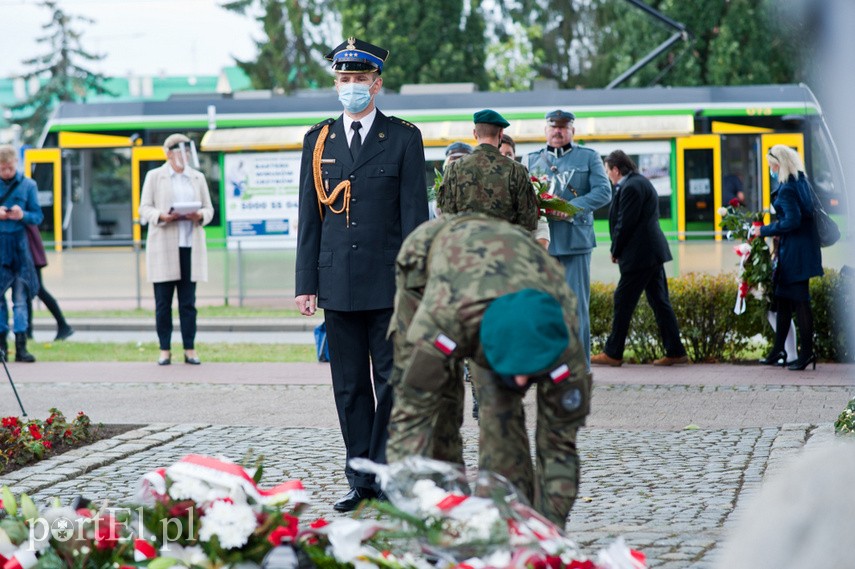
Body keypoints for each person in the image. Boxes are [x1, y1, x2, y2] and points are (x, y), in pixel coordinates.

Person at [386, 213, 591, 527]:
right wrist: (414, 505)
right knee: (438, 402)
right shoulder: (444, 319)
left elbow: (560, 445)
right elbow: (410, 416)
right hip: (428, 259)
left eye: (531, 371)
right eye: (515, 370)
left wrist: (549, 531)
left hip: (513, 269)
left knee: (501, 413)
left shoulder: (562, 338)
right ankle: (446, 510)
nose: (523, 382)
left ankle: (510, 517)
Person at [294, 37, 429, 513]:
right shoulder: (318, 139)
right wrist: (306, 283)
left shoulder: (404, 138)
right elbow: (309, 218)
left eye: (358, 80)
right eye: (343, 79)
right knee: (349, 386)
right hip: (337, 282)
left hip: (389, 282)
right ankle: (359, 478)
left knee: (392, 380)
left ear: (377, 83)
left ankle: (383, 471)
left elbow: (416, 217)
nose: (350, 87)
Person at [525, 110, 612, 368]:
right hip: (544, 242)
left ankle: (578, 366)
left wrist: (571, 207)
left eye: (564, 128)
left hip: (575, 242)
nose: (558, 132)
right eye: (553, 127)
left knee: (575, 308)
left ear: (573, 131)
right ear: (546, 130)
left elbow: (603, 192)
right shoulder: (531, 160)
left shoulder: (589, 157)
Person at [590, 150, 689, 367]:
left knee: (622, 300)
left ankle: (613, 353)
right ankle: (676, 351)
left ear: (616, 169)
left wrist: (615, 249)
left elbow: (626, 222)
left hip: (640, 255)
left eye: (608, 171)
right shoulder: (639, 182)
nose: (608, 175)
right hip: (650, 254)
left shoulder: (631, 186)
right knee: (660, 302)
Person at [138, 134, 214, 366]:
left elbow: (209, 209)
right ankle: (164, 349)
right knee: (163, 303)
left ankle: (189, 348)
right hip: (164, 246)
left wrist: (199, 215)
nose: (185, 156)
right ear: (169, 154)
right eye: (180, 152)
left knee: (188, 303)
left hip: (189, 245)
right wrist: (161, 215)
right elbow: (144, 208)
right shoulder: (155, 176)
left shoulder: (197, 178)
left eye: (187, 152)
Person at [752, 144, 822, 371]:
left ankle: (806, 354)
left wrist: (763, 230)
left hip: (794, 254)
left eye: (771, 165)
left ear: (779, 164)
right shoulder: (802, 182)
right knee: (782, 300)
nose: (770, 169)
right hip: (803, 252)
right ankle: (779, 350)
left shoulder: (788, 188)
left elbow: (791, 221)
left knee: (801, 302)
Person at [437, 109, 538, 231]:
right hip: (504, 245)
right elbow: (529, 222)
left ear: (475, 134)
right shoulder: (516, 170)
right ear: (501, 133)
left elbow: (447, 217)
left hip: (464, 245)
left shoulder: (453, 169)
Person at [0, 145, 43, 362]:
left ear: (15, 163)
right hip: (0, 247)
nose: (6, 172)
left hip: (20, 248)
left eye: (9, 168)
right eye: (2, 168)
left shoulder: (28, 185)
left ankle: (21, 346)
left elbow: (38, 216)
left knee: (20, 299)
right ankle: (1, 347)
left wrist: (22, 214)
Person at [500, 133, 550, 248]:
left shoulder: (529, 187)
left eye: (508, 154)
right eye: (500, 154)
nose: (505, 158)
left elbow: (542, 229)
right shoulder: (480, 187)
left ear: (514, 156)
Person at [25, 223, 74, 341]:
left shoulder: (24, 208)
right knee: (27, 292)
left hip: (28, 252)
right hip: (25, 251)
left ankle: (62, 325)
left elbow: (35, 216)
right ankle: (27, 333)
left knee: (36, 289)